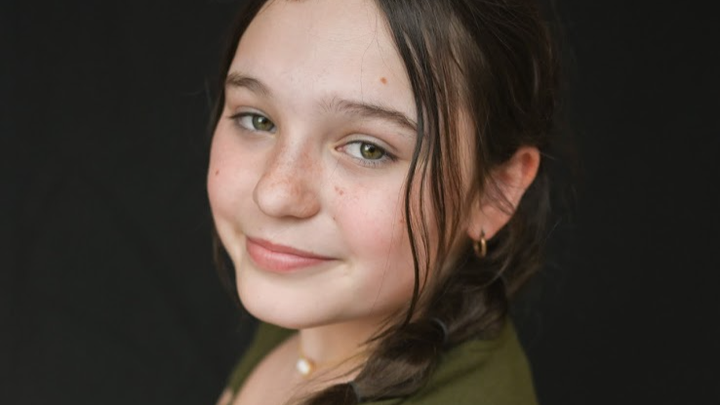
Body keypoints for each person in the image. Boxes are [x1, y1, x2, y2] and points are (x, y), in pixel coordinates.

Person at [207, 0, 559, 404]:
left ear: (495, 192)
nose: (273, 194)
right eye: (258, 120)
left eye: (367, 149)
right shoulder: (315, 301)